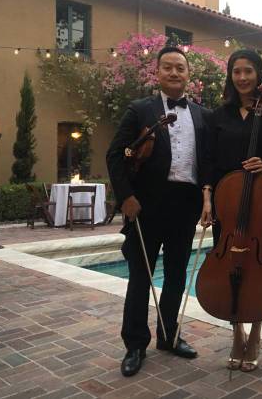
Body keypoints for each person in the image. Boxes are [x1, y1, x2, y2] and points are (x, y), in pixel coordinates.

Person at [106, 46, 211, 377]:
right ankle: (135, 344)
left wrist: (207, 199)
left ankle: (168, 335)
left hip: (185, 204)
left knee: (177, 275)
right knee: (141, 277)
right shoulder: (140, 109)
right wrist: (126, 197)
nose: (174, 72)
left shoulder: (202, 115)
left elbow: (208, 161)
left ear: (189, 74)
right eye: (168, 67)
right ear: (158, 72)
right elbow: (115, 154)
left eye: (180, 67)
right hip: (147, 205)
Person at [200, 49, 262, 372]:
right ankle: (236, 332)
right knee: (226, 268)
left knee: (257, 272)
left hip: (260, 204)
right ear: (230, 75)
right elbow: (208, 160)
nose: (242, 77)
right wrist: (207, 198)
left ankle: (257, 333)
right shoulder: (218, 115)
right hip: (226, 203)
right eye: (236, 71)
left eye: (248, 70)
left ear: (259, 73)